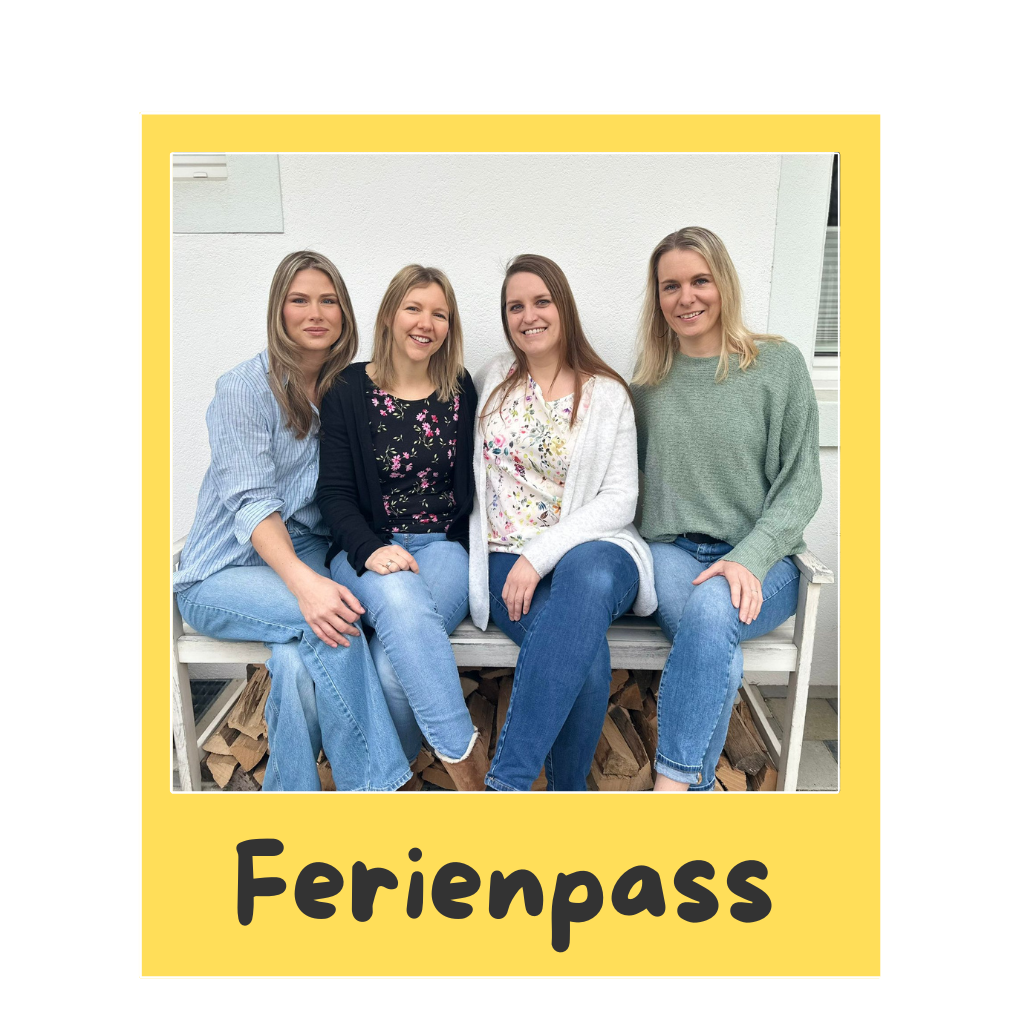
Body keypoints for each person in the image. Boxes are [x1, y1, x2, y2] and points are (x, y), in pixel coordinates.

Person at [174, 251, 411, 792]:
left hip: (303, 552)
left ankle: (288, 805)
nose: (315, 313)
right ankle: (376, 793)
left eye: (328, 301)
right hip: (223, 570)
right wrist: (307, 587)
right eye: (299, 300)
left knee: (298, 667)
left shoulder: (344, 388)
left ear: (345, 313)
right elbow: (253, 503)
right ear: (278, 311)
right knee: (336, 622)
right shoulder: (244, 388)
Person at [631, 226, 822, 792]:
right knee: (719, 646)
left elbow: (801, 484)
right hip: (672, 555)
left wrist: (749, 558)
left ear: (724, 284)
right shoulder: (649, 383)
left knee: (715, 609)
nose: (686, 297)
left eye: (700, 281)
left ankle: (670, 791)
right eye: (670, 286)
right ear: (657, 297)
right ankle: (697, 796)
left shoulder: (777, 365)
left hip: (766, 561)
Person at [470, 254, 656, 792]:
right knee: (588, 661)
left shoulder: (607, 394)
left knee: (589, 577)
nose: (529, 316)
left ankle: (506, 786)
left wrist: (540, 555)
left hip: (595, 547)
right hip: (504, 555)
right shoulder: (491, 381)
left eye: (541, 301)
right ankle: (566, 801)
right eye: (515, 307)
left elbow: (620, 498)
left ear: (564, 306)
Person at [317, 265, 487, 790]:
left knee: (393, 668)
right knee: (401, 602)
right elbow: (334, 494)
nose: (425, 323)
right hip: (365, 550)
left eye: (439, 313)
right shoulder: (347, 389)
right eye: (413, 308)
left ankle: (386, 789)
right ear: (390, 314)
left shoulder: (459, 389)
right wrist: (370, 548)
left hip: (442, 549)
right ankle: (470, 772)